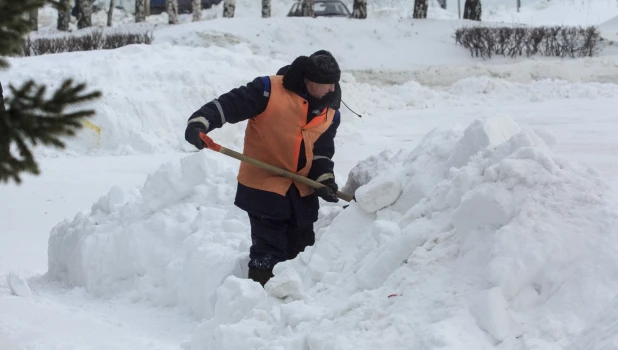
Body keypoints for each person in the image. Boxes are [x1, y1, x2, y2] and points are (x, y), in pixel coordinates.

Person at [184, 50, 343, 286]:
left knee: (303, 252)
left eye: (334, 83)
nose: (332, 90)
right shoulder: (269, 90)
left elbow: (321, 151)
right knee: (268, 252)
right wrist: (200, 122)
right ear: (309, 81)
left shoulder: (330, 111)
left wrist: (324, 180)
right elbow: (229, 105)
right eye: (326, 84)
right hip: (263, 187)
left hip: (301, 191)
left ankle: (296, 308)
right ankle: (258, 301)